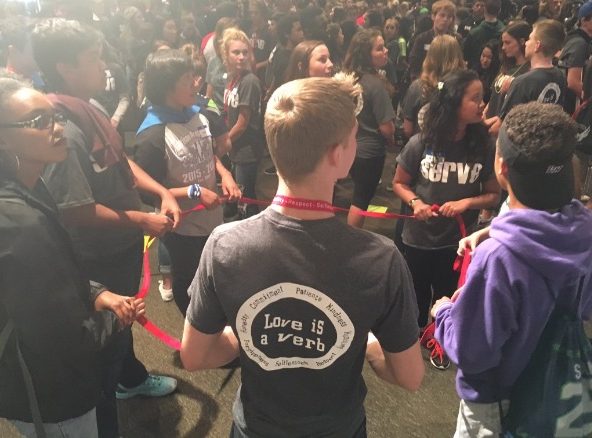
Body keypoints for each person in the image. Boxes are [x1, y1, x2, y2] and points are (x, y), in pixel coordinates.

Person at [181, 74, 424, 438]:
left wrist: (251, 336)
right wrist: (371, 346)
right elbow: (409, 376)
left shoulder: (223, 245)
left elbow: (195, 356)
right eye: (354, 138)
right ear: (336, 155)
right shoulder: (381, 259)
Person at [31, 18, 179, 438]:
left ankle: (129, 378)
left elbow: (120, 161)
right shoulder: (61, 128)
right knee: (105, 341)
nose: (103, 68)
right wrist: (144, 220)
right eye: (92, 60)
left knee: (124, 320)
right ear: (65, 67)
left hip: (120, 247)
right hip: (95, 255)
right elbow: (75, 211)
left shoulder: (88, 108)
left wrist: (159, 191)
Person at [432, 101, 592, 437]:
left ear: (502, 166)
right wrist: (493, 230)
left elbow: (473, 352)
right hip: (560, 387)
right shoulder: (582, 229)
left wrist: (445, 312)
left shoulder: (498, 259)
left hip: (496, 401)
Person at [0, 74, 144, 438]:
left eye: (56, 116)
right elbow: (58, 339)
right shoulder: (19, 222)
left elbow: (60, 275)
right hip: (49, 392)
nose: (57, 128)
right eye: (38, 122)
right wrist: (116, 321)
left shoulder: (31, 185)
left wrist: (98, 293)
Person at [393, 69, 500, 370]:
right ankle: (412, 341)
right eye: (475, 99)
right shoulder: (421, 142)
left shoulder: (483, 146)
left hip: (456, 242)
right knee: (414, 293)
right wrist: (416, 202)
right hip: (418, 237)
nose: (483, 105)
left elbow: (493, 194)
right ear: (454, 103)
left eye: (483, 98)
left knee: (447, 295)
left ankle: (440, 338)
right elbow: (399, 182)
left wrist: (467, 201)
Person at [134, 49, 241, 316]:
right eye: (188, 78)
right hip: (184, 230)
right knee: (190, 285)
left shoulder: (197, 113)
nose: (196, 82)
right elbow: (148, 191)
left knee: (215, 276)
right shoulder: (152, 135)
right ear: (168, 86)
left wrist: (224, 174)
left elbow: (207, 153)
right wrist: (193, 191)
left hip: (211, 219)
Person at [343, 28, 396, 229]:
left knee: (355, 195)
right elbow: (386, 128)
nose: (386, 52)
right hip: (370, 152)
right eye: (379, 49)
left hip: (348, 147)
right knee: (361, 200)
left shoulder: (346, 77)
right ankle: (352, 241)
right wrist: (392, 138)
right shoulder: (375, 85)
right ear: (366, 54)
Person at [494, 20, 566, 132]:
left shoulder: (522, 83)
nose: (526, 43)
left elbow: (502, 127)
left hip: (518, 144)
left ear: (537, 45)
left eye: (530, 39)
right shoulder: (560, 76)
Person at [222, 28, 264, 218]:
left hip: (247, 149)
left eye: (245, 52)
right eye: (236, 52)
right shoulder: (234, 78)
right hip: (236, 148)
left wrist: (222, 143)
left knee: (246, 199)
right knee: (239, 196)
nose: (241, 57)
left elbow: (242, 122)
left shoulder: (249, 81)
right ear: (226, 54)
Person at [402, 34, 466, 139]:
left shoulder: (417, 87)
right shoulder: (465, 87)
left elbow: (407, 129)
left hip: (423, 149)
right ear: (458, 56)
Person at [482, 21, 531, 128]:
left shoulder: (528, 70)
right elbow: (495, 93)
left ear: (522, 42)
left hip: (505, 126)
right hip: (489, 120)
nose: (503, 47)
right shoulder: (506, 65)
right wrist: (486, 111)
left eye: (508, 43)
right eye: (503, 43)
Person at [408, 0, 459, 79]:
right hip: (426, 81)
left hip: (448, 83)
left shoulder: (456, 39)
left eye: (449, 17)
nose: (445, 19)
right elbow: (414, 64)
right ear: (433, 16)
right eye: (442, 15)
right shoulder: (422, 39)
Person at [558, 0, 592, 114]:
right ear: (584, 21)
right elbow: (573, 82)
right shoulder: (579, 43)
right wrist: (587, 101)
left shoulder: (575, 38)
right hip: (571, 106)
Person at [462, 0, 504, 70]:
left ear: (484, 9)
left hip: (475, 72)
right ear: (499, 10)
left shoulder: (473, 33)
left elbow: (465, 56)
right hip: (497, 71)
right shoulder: (505, 31)